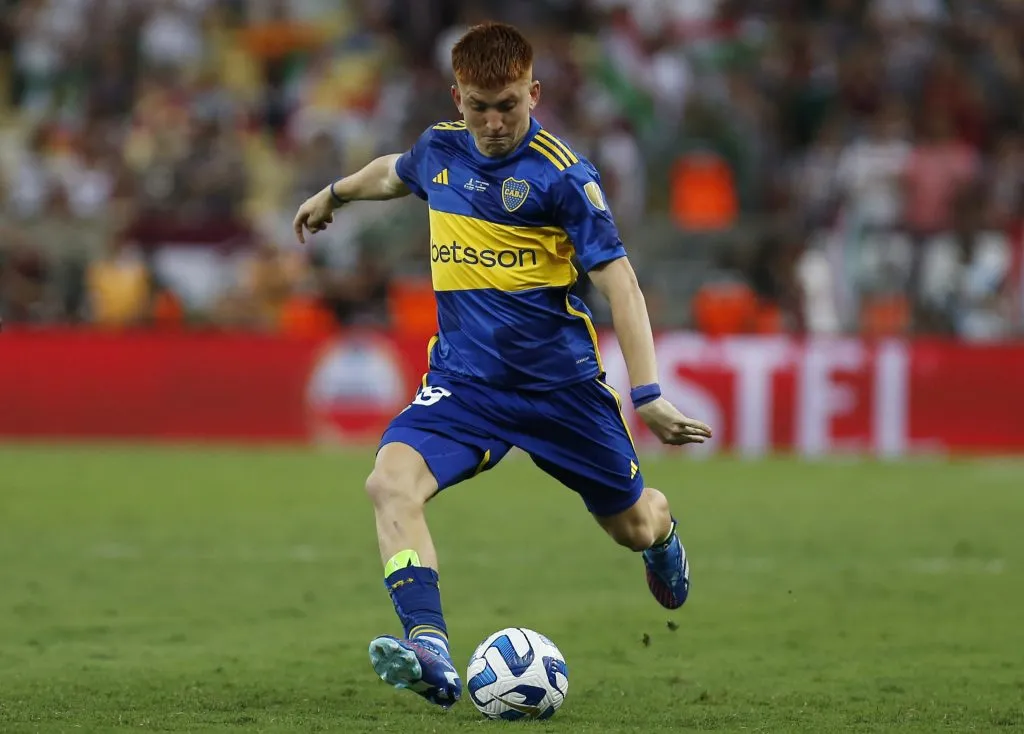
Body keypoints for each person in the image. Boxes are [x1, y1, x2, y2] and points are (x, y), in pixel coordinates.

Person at [292, 22, 712, 710]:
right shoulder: (439, 151)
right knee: (389, 484)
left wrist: (648, 394)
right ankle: (430, 648)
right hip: (465, 386)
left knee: (631, 525)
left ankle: (663, 533)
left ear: (534, 93)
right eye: (479, 106)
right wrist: (333, 194)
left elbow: (622, 283)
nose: (493, 122)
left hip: (560, 391)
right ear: (457, 97)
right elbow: (392, 171)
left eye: (509, 105)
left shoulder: (563, 177)